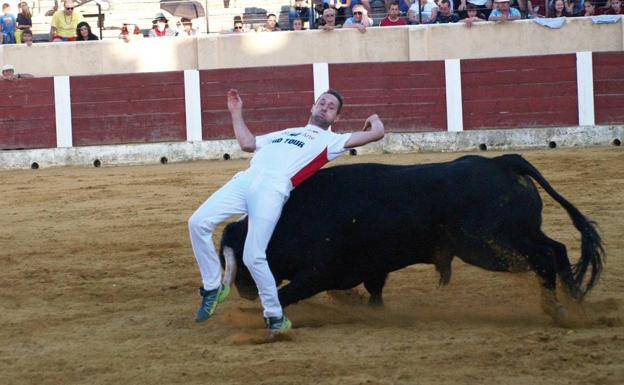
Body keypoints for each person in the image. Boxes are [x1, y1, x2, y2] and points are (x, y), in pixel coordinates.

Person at [188, 89, 385, 333]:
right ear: (312, 107)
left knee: (253, 255)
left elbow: (377, 133)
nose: (324, 107)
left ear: (336, 119)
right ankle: (212, 287)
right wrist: (236, 112)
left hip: (273, 190)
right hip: (245, 180)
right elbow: (248, 144)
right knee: (197, 222)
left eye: (331, 107)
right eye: (321, 102)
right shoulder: (285, 132)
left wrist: (374, 118)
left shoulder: (333, 141)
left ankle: (275, 316)